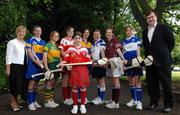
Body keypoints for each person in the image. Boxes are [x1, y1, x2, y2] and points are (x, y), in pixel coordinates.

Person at [142, 10, 175, 113]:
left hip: (163, 61)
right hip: (149, 62)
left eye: (152, 17)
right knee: (152, 84)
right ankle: (153, 103)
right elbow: (147, 47)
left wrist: (164, 53)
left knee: (166, 84)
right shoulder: (144, 32)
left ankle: (168, 105)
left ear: (156, 17)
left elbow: (171, 42)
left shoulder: (163, 28)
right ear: (147, 20)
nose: (150, 19)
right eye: (148, 18)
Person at [58, 34, 91, 114]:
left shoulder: (85, 49)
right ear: (74, 40)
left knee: (83, 87)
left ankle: (82, 105)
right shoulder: (70, 49)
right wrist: (62, 62)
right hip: (74, 70)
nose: (77, 39)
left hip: (83, 70)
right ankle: (75, 106)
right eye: (76, 38)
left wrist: (92, 60)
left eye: (79, 38)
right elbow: (66, 59)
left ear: (81, 40)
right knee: (75, 88)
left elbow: (88, 59)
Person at [6, 25, 28, 111]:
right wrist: (8, 68)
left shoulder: (25, 43)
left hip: (23, 67)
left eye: (23, 32)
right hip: (14, 66)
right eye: (20, 31)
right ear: (17, 32)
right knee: (13, 85)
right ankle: (13, 103)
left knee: (20, 86)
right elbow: (8, 56)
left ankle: (17, 102)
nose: (21, 33)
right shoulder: (12, 42)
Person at [121, 25, 143, 110]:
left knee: (137, 81)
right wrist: (123, 64)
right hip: (127, 63)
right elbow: (123, 54)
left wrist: (138, 61)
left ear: (133, 31)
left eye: (130, 30)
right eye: (127, 30)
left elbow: (138, 51)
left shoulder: (137, 39)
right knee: (130, 82)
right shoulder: (124, 41)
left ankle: (139, 102)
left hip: (135, 62)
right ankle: (134, 99)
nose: (128, 32)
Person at [26, 25, 46, 111]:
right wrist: (35, 61)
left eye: (40, 30)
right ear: (33, 31)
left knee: (36, 84)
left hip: (40, 65)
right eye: (36, 30)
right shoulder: (30, 40)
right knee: (31, 83)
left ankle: (34, 101)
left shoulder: (43, 42)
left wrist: (42, 61)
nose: (38, 32)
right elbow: (29, 52)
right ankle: (30, 102)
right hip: (33, 65)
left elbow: (45, 54)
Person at [104, 28, 126, 109]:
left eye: (109, 32)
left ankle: (116, 103)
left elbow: (118, 50)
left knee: (116, 81)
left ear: (112, 34)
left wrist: (123, 60)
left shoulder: (115, 40)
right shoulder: (108, 42)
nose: (108, 33)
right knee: (113, 81)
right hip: (110, 62)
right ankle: (113, 99)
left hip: (115, 61)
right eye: (107, 32)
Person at [42, 31, 61, 108]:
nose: (56, 37)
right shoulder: (48, 45)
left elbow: (59, 57)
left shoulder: (57, 45)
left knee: (54, 83)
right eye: (55, 36)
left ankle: (50, 100)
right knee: (49, 83)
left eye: (58, 36)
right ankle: (46, 102)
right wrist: (46, 68)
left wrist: (60, 66)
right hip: (50, 66)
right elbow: (44, 57)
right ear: (51, 36)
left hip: (56, 67)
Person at [59, 26, 74, 105]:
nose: (71, 33)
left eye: (72, 31)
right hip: (65, 62)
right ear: (67, 32)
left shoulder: (74, 40)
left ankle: (69, 98)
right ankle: (65, 99)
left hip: (72, 63)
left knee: (70, 81)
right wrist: (69, 54)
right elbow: (61, 53)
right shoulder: (63, 40)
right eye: (70, 31)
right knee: (65, 80)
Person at [91, 29, 106, 105]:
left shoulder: (102, 42)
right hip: (95, 64)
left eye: (97, 34)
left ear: (100, 35)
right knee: (98, 81)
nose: (96, 36)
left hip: (100, 64)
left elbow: (103, 53)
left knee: (101, 81)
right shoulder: (93, 43)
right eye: (94, 34)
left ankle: (102, 98)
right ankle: (99, 96)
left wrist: (103, 62)